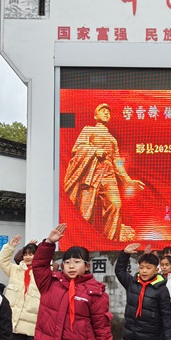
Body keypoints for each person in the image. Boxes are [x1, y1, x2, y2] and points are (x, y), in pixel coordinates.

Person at [63, 103, 145, 242]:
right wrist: (95, 151)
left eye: (108, 111)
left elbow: (117, 162)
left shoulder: (112, 140)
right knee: (86, 212)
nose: (106, 113)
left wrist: (128, 180)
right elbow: (77, 149)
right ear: (96, 116)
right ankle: (83, 242)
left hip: (108, 176)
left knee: (115, 205)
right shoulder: (89, 130)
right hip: (92, 175)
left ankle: (110, 240)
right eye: (103, 111)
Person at [0, 236, 41, 340]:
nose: (28, 257)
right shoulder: (15, 270)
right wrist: (11, 246)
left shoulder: (42, 272)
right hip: (15, 318)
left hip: (33, 318)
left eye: (31, 254)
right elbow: (2, 261)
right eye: (26, 254)